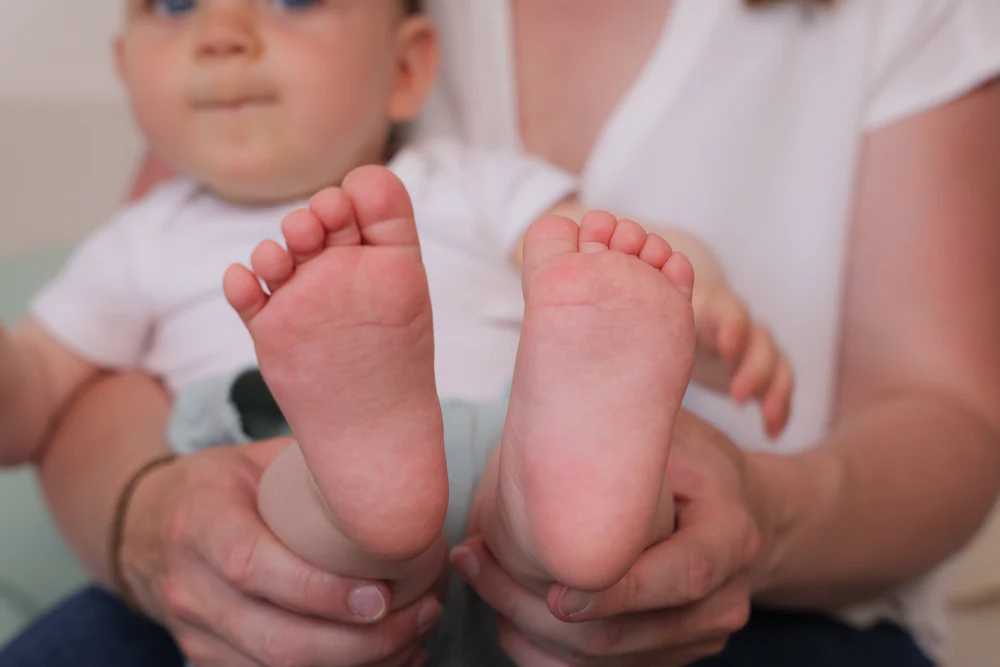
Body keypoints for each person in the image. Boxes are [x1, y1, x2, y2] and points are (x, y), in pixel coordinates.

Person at [4, 0, 1000, 665]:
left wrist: (690, 298)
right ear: (128, 66)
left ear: (407, 66)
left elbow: (584, 250)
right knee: (296, 495)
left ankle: (558, 505)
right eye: (173, 3)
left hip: (543, 488)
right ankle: (391, 488)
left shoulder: (454, 178)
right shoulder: (147, 234)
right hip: (287, 527)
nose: (224, 32)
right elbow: (46, 384)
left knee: (572, 480)